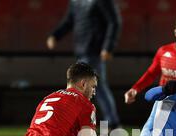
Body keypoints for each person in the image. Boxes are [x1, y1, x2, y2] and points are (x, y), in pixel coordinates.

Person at [46, 0, 122, 129]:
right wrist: (55, 35)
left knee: (89, 87)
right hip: (82, 50)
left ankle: (107, 123)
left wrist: (107, 47)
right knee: (92, 88)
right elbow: (69, 21)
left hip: (94, 50)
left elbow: (114, 22)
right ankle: (110, 122)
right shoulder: (76, 2)